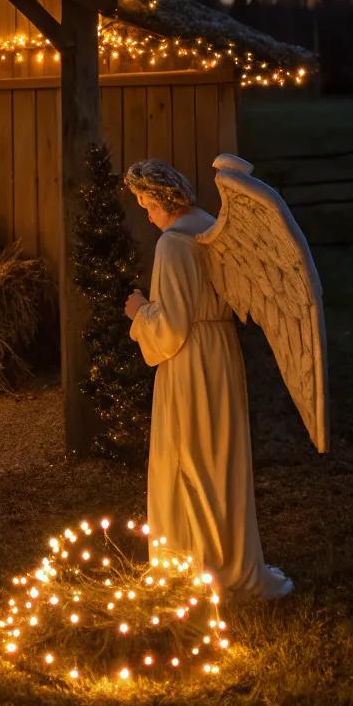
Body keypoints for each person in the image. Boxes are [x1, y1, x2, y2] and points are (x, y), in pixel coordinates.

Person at [123, 158, 292, 600]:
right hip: (220, 355)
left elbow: (173, 327)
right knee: (220, 458)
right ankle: (225, 556)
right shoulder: (212, 229)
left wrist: (140, 311)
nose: (146, 213)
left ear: (161, 198)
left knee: (190, 458)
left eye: (145, 203)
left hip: (190, 361)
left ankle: (195, 563)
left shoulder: (173, 245)